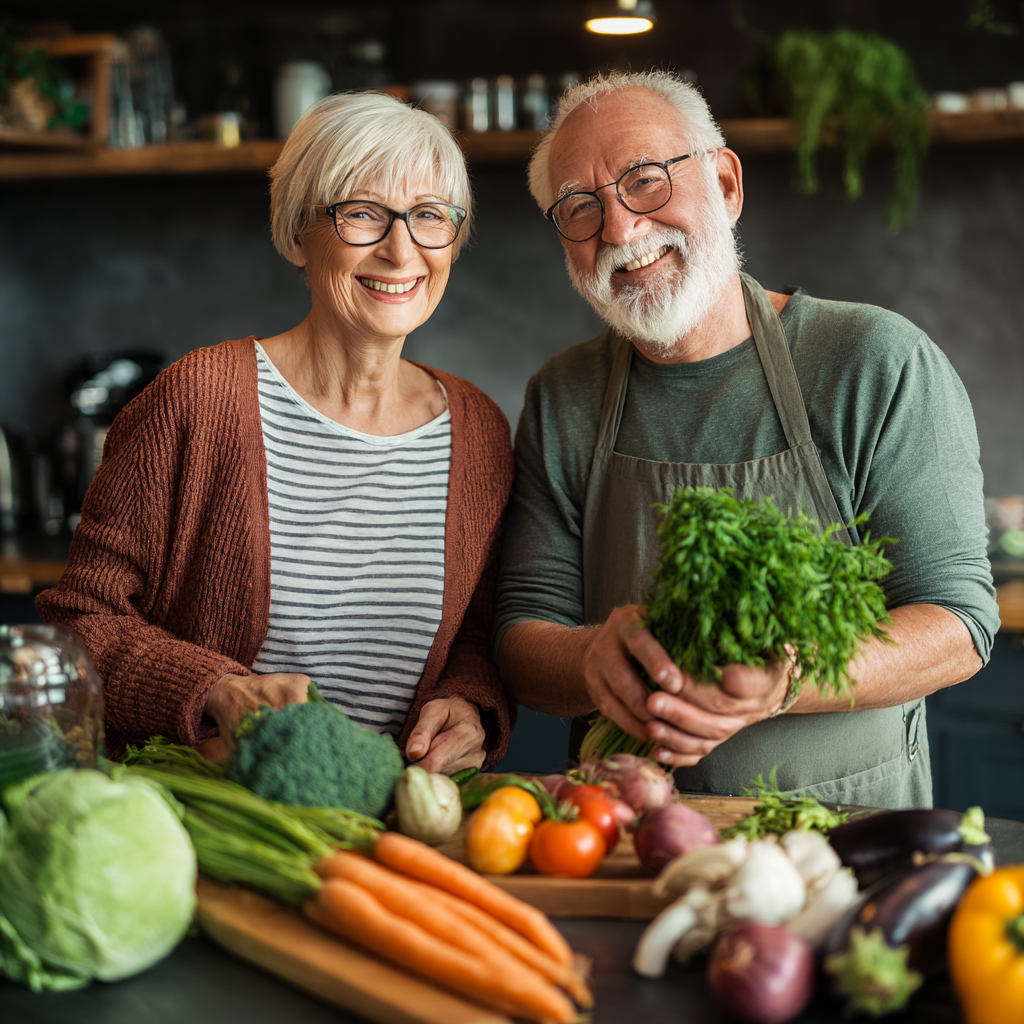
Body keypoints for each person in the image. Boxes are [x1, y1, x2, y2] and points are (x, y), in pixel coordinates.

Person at [495, 70, 998, 807]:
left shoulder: (873, 361)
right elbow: (521, 637)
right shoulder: (562, 395)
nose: (621, 229)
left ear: (725, 184)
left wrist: (788, 676)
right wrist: (589, 658)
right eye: (579, 206)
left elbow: (958, 622)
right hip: (625, 839)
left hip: (846, 840)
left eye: (645, 181)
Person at [38, 92, 514, 773]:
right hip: (219, 826)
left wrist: (468, 700)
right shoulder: (196, 400)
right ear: (297, 232)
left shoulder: (480, 436)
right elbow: (78, 624)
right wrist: (214, 691)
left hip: (389, 838)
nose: (400, 248)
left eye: (429, 217)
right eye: (362, 214)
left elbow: (476, 632)